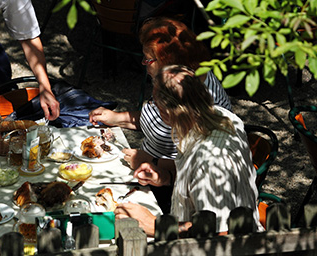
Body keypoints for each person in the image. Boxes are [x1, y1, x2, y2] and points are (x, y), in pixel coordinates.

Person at [114, 65, 262, 236]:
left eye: (154, 103)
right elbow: (196, 181)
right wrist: (165, 177)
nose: (152, 107)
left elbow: (219, 235)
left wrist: (154, 226)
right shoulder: (222, 117)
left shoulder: (209, 164)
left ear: (167, 113)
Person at [89, 17, 231, 169]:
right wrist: (116, 118)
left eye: (148, 59)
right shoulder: (174, 80)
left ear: (169, 61)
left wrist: (152, 162)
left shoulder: (201, 101)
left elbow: (199, 168)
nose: (143, 62)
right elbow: (156, 119)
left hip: (166, 178)